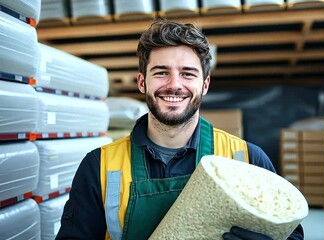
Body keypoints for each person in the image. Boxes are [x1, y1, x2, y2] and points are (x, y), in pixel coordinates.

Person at [56, 19, 304, 240]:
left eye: (187, 74)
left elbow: (292, 234)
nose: (174, 85)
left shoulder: (248, 159)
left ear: (204, 85)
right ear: (143, 82)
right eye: (161, 72)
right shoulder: (99, 167)